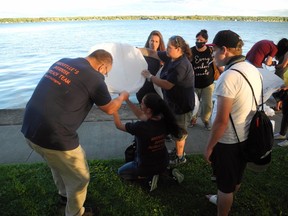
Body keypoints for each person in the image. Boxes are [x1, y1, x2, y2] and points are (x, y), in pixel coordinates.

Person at [21, 49, 129, 216]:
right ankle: (74, 213)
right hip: (55, 136)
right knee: (80, 177)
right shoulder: (95, 78)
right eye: (106, 73)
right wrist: (122, 97)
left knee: (57, 164)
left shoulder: (62, 61)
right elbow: (109, 108)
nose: (104, 76)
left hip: (29, 128)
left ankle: (64, 196)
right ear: (101, 67)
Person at [204, 30, 262, 216]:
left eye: (214, 50)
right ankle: (223, 199)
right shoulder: (252, 69)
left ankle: (223, 207)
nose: (212, 55)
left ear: (225, 50)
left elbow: (221, 120)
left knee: (225, 184)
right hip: (245, 135)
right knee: (235, 177)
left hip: (228, 141)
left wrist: (210, 147)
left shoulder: (228, 78)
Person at [139, 35, 195, 165]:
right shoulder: (171, 57)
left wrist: (150, 76)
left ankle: (180, 157)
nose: (167, 50)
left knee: (180, 133)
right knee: (175, 129)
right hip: (172, 103)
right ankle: (177, 152)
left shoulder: (182, 65)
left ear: (178, 49)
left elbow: (166, 84)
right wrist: (135, 50)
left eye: (170, 48)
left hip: (182, 106)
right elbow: (152, 52)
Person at [113, 93, 184, 190]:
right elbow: (142, 115)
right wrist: (127, 100)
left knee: (121, 172)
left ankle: (149, 178)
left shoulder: (141, 127)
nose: (140, 105)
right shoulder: (164, 119)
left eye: (141, 103)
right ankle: (166, 172)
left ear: (149, 110)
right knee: (156, 165)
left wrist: (114, 109)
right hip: (163, 161)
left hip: (145, 166)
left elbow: (119, 125)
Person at [189, 29, 221, 130]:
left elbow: (217, 64)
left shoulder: (210, 51)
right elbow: (187, 65)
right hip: (194, 83)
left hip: (208, 83)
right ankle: (193, 119)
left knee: (207, 104)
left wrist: (224, 72)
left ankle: (206, 120)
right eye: (197, 39)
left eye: (201, 40)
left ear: (206, 41)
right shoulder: (192, 51)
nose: (198, 41)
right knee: (194, 104)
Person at [136, 30, 166, 103]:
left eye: (156, 42)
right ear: (148, 41)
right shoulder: (141, 55)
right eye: (152, 41)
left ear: (160, 43)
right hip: (142, 89)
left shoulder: (163, 57)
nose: (153, 44)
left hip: (156, 90)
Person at [271, 38, 288, 111]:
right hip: (284, 72)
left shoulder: (286, 53)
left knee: (278, 89)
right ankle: (279, 106)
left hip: (282, 71)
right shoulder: (285, 53)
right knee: (281, 89)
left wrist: (276, 66)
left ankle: (278, 106)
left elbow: (283, 65)